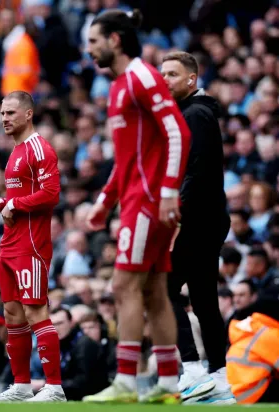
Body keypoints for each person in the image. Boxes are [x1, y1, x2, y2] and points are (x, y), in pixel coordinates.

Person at [82, 9, 191, 404]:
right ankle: (168, 382)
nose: (89, 49)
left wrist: (167, 192)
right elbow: (127, 159)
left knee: (124, 284)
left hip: (147, 202)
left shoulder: (142, 76)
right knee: (155, 291)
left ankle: (126, 381)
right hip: (136, 199)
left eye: (94, 41)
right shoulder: (118, 87)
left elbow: (178, 131)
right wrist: (103, 201)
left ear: (114, 40)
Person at [160, 51, 235, 404]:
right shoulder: (190, 114)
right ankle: (219, 376)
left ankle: (191, 366)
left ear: (192, 79)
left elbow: (198, 171)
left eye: (172, 74)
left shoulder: (196, 115)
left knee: (161, 288)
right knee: (204, 299)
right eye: (162, 74)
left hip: (195, 219)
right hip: (206, 218)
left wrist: (175, 212)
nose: (165, 80)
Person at [0, 91, 65, 402]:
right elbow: (25, 194)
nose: (5, 118)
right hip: (10, 243)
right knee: (12, 314)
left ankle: (54, 388)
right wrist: (2, 201)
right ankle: (21, 386)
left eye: (11, 113)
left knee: (35, 312)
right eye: (3, 113)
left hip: (31, 244)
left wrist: (13, 202)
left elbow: (51, 193)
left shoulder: (40, 149)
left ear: (28, 114)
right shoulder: (16, 150)